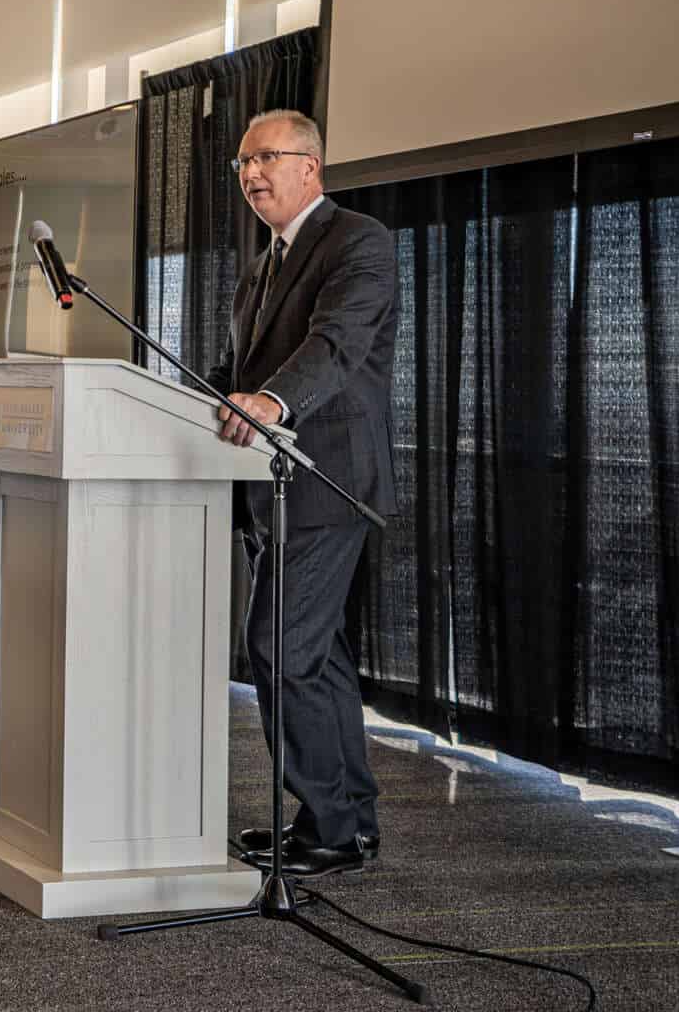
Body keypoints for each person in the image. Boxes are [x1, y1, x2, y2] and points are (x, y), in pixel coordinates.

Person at [207, 109, 397, 878]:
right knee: (315, 655)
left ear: (309, 166)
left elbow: (335, 346)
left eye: (265, 159)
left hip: (326, 481)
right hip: (273, 488)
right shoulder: (262, 267)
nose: (251, 174)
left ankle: (329, 825)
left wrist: (271, 402)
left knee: (279, 648)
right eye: (242, 164)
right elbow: (232, 371)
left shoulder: (358, 242)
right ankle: (347, 822)